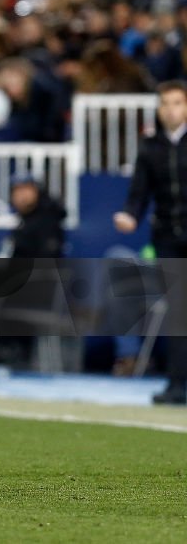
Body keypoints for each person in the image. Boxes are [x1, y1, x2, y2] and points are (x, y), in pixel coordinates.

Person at [114, 80, 187, 405]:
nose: (171, 109)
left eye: (177, 102)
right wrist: (130, 215)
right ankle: (176, 384)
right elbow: (139, 192)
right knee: (178, 312)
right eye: (166, 103)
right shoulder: (150, 146)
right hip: (168, 238)